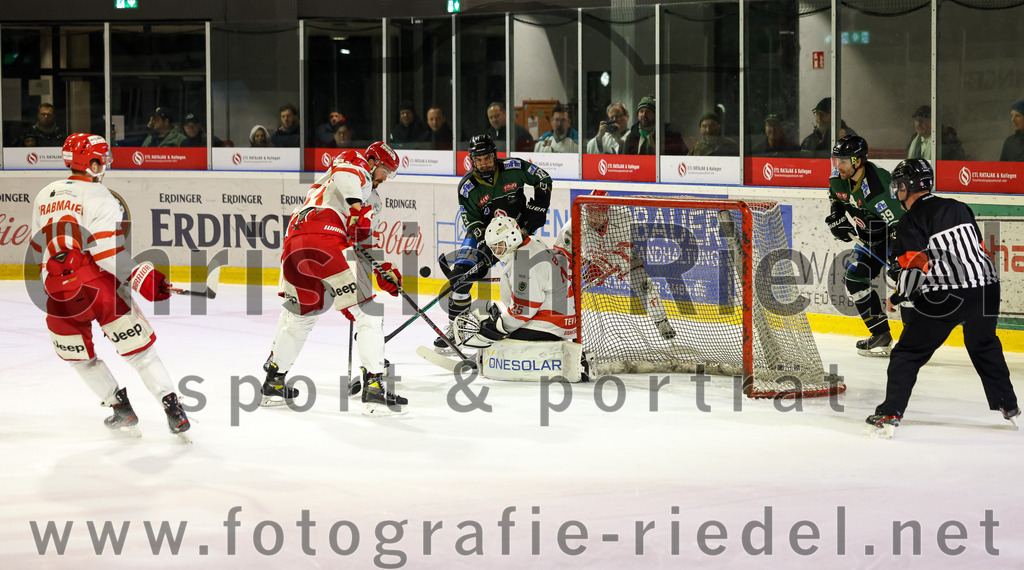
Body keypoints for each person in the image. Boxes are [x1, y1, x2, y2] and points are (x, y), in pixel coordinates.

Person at [27, 133, 190, 437]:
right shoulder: (101, 196)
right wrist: (142, 278)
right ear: (90, 162)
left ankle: (120, 409)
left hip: (57, 292)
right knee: (140, 354)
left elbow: (38, 249)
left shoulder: (44, 194)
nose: (105, 165)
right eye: (101, 159)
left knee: (80, 359)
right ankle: (173, 409)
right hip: (96, 285)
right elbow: (107, 254)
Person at [866, 159, 1019, 436]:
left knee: (907, 354)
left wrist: (898, 296)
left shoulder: (910, 221)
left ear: (905, 187)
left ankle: (890, 412)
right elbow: (977, 250)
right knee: (983, 344)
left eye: (898, 186)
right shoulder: (959, 207)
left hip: (947, 294)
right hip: (987, 288)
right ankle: (1008, 404)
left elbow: (915, 270)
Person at [261, 142, 405, 415]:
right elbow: (345, 174)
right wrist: (352, 206)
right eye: (385, 169)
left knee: (300, 318)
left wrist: (383, 268)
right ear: (372, 159)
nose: (385, 177)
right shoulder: (356, 161)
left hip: (295, 243)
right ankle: (374, 388)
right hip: (326, 239)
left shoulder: (366, 196)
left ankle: (274, 383)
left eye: (390, 173)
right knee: (368, 313)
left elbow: (362, 239)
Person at [433, 134, 553, 351]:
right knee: (461, 275)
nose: (484, 163)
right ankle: (456, 327)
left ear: (495, 155)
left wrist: (540, 206)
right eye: (479, 159)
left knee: (529, 273)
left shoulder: (513, 167)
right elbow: (474, 223)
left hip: (518, 231)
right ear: (472, 160)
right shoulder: (467, 187)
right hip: (488, 235)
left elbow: (543, 178)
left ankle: (529, 320)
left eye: (488, 158)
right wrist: (485, 248)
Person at [451, 216, 592, 383]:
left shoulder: (524, 264)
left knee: (495, 337)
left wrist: (499, 327)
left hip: (548, 326)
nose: (496, 252)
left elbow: (523, 312)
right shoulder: (532, 242)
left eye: (499, 246)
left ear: (512, 237)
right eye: (493, 247)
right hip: (561, 320)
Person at [553, 189, 676, 341]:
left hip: (622, 257)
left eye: (598, 214)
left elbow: (625, 251)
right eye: (591, 213)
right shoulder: (574, 225)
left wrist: (602, 267)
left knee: (645, 286)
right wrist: (572, 276)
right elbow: (561, 257)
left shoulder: (623, 217)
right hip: (589, 255)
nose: (594, 218)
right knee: (568, 287)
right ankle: (562, 324)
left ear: (608, 212)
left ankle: (661, 321)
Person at [825, 135, 903, 356]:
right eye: (835, 160)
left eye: (843, 161)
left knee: (906, 283)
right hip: (869, 237)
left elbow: (901, 225)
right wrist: (836, 218)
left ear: (858, 161)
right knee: (855, 279)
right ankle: (881, 335)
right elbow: (836, 199)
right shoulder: (838, 177)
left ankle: (913, 343)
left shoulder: (878, 188)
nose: (837, 166)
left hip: (893, 236)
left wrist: (898, 258)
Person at [621, 95, 687, 155]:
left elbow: (681, 156)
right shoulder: (632, 136)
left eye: (648, 112)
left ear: (656, 115)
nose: (644, 114)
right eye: (641, 111)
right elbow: (625, 161)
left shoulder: (669, 134)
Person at [999, 97, 1024, 162]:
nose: (1013, 119)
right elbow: (1002, 169)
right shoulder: (1009, 143)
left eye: (1017, 116)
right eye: (1012, 115)